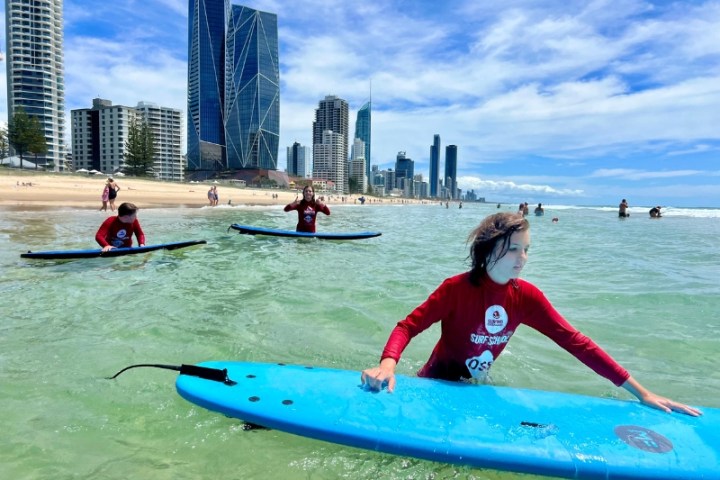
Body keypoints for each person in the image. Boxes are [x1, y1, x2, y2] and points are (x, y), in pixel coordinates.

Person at [361, 212, 701, 417]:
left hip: (476, 387)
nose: (522, 258)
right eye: (512, 249)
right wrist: (389, 362)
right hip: (434, 383)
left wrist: (642, 392)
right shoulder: (456, 289)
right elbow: (408, 325)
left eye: (526, 249)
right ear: (487, 250)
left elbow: (577, 343)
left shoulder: (527, 298)